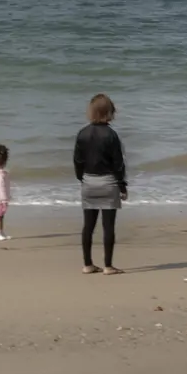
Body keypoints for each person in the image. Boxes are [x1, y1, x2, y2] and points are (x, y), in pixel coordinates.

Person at [73, 93, 127, 274]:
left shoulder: (82, 133)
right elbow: (118, 163)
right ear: (109, 112)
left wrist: (82, 178)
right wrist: (122, 186)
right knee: (108, 226)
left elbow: (77, 161)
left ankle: (87, 264)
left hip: (89, 181)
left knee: (88, 225)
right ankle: (108, 266)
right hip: (108, 182)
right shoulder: (111, 135)